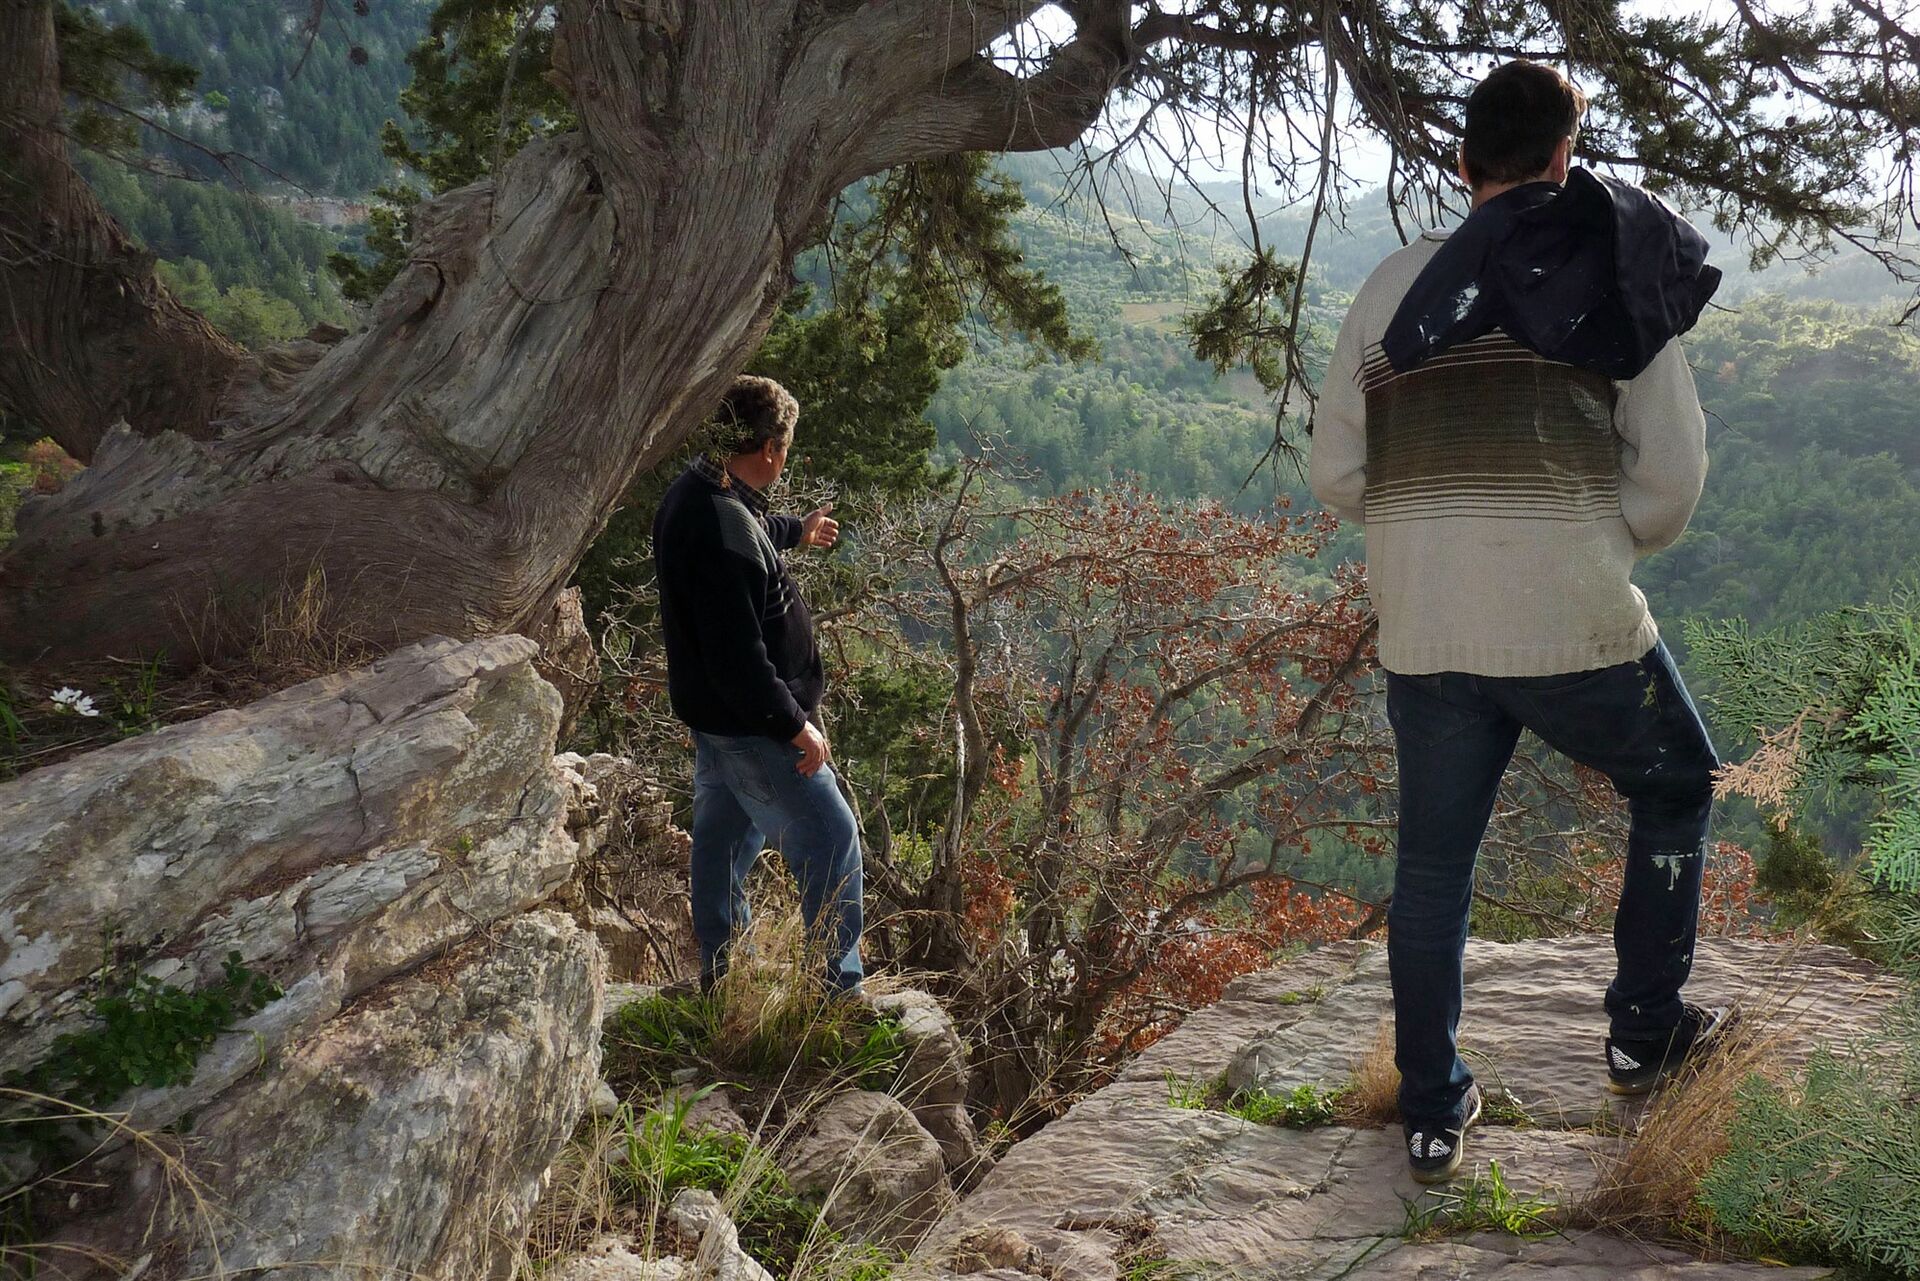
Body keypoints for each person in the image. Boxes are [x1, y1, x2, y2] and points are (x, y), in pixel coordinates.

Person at [1310, 60, 1725, 1184]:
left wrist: (1435, 523)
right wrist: (1584, 536)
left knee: (1432, 871)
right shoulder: (1611, 274)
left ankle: (1431, 1108)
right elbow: (1670, 481)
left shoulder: (1389, 289)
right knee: (1677, 784)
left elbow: (1337, 472)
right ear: (1563, 158)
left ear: (1462, 163)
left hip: (1427, 626)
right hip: (1573, 624)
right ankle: (1644, 1032)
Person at [652, 374, 864, 996]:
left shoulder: (698, 492)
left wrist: (797, 530)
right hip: (753, 727)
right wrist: (795, 727)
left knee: (721, 846)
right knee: (832, 838)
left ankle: (723, 978)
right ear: (770, 448)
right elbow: (738, 658)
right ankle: (835, 992)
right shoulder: (721, 522)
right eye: (786, 447)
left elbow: (746, 532)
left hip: (717, 721)